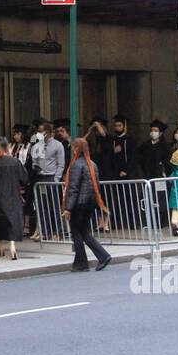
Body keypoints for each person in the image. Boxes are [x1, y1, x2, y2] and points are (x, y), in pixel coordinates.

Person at [61, 138, 111, 272]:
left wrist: (68, 208)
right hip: (90, 203)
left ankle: (83, 262)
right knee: (84, 232)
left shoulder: (76, 165)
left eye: (74, 147)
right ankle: (100, 257)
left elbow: (73, 188)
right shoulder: (92, 164)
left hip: (79, 204)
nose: (72, 150)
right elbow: (96, 186)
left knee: (76, 232)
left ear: (77, 149)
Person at [0, 136, 27, 260]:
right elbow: (24, 178)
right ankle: (12, 245)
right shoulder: (15, 162)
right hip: (13, 195)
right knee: (13, 220)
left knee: (0, 221)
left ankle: (1, 245)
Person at [107, 115, 137, 181]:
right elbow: (108, 157)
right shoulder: (112, 140)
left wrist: (126, 170)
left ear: (124, 127)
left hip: (127, 174)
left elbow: (133, 157)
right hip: (115, 174)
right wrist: (113, 151)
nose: (117, 128)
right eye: (115, 126)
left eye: (119, 126)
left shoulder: (130, 140)